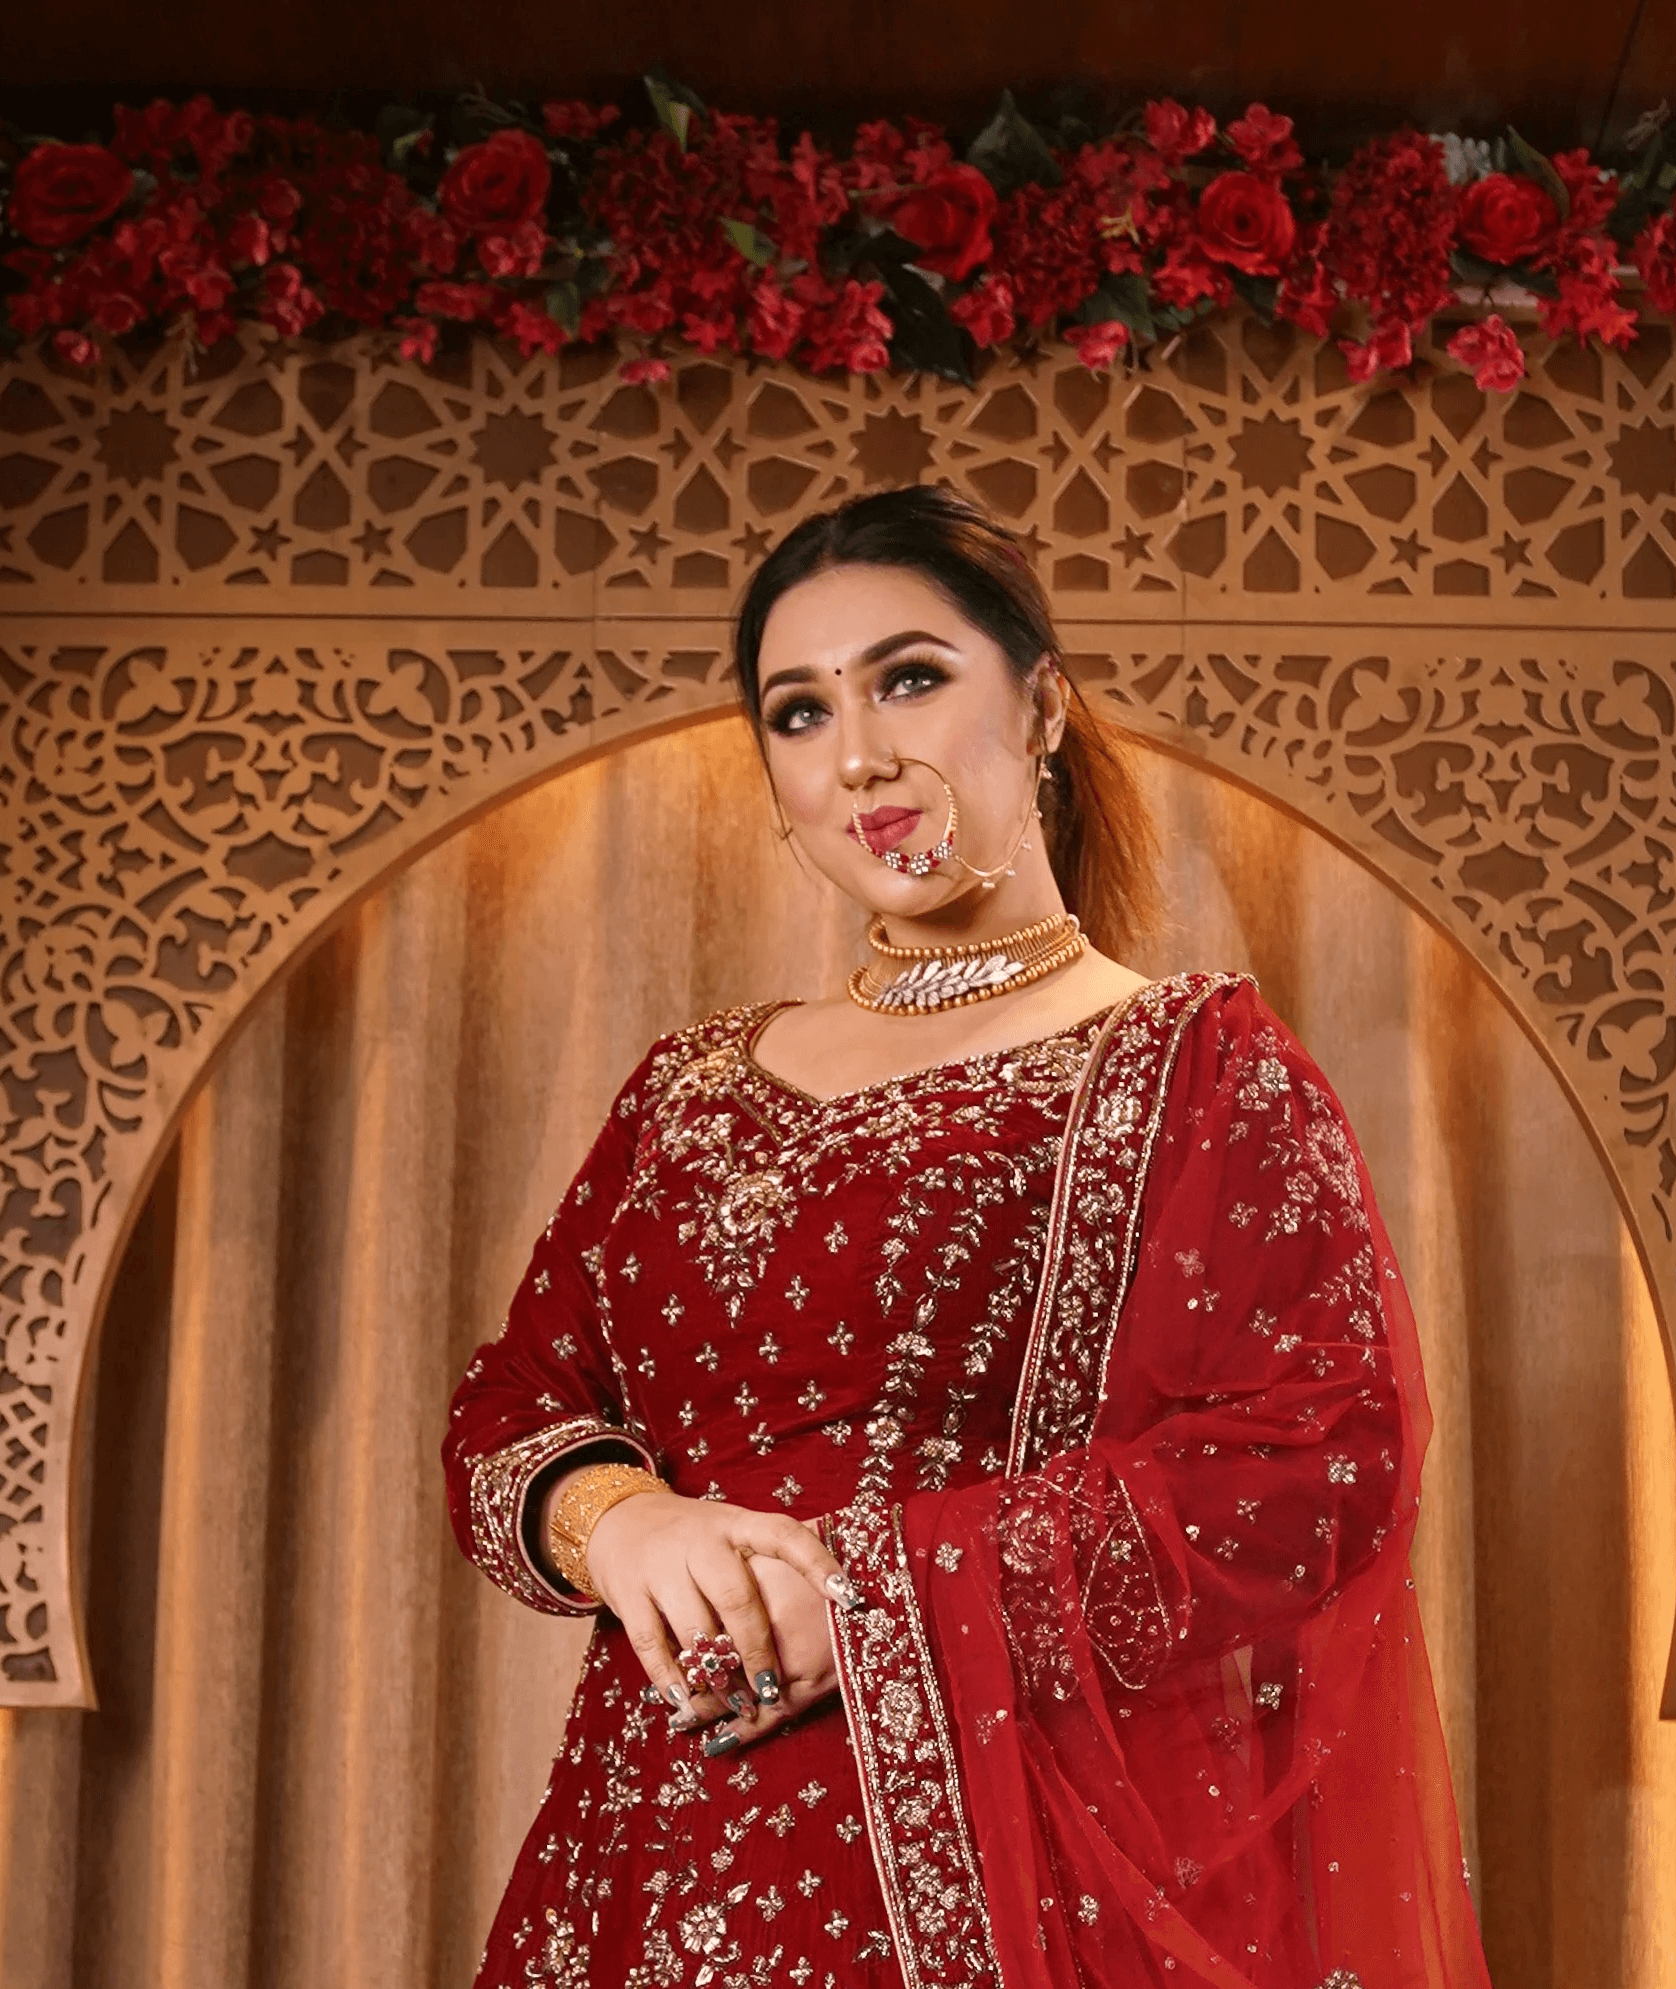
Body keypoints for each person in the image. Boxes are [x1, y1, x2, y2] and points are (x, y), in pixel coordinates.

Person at [443, 485, 1492, 1989]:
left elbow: (1318, 1457)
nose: (858, 751)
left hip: (997, 1865)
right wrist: (623, 1524)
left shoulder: (1189, 1065)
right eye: (797, 713)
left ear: (1045, 706)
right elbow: (509, 1412)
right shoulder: (684, 1089)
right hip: (643, 1847)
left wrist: (866, 1598)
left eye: (909, 679)